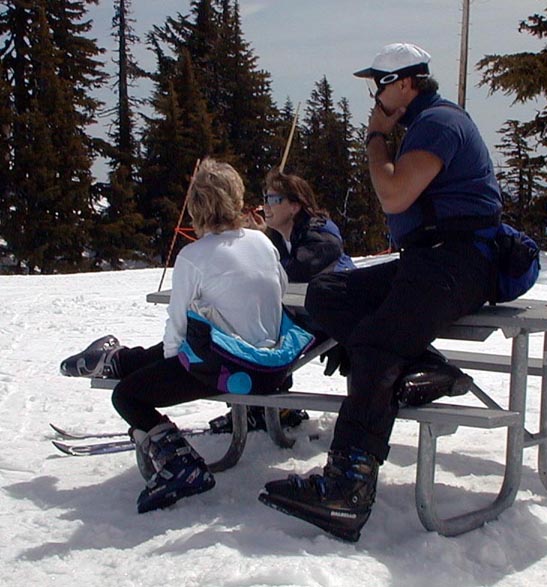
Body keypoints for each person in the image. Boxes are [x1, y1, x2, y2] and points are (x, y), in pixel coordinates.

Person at [259, 42, 503, 542]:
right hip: (429, 260)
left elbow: (393, 194)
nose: (375, 95)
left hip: (461, 261)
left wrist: (375, 137)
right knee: (328, 293)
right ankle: (427, 366)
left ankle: (347, 485)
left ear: (407, 83)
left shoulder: (439, 123)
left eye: (380, 85)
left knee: (375, 343)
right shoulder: (424, 125)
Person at [60, 158, 289, 513]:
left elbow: (177, 327)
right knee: (182, 350)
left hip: (229, 370)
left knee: (127, 396)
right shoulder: (262, 242)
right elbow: (281, 290)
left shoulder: (194, 256)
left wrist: (167, 367)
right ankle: (117, 359)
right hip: (268, 364)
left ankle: (180, 463)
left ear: (197, 205)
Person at [207, 167, 356, 434]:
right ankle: (255, 406)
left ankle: (269, 407)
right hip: (302, 316)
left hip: (334, 320)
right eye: (265, 198)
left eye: (274, 199)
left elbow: (295, 271)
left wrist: (259, 244)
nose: (266, 206)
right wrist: (260, 237)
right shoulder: (282, 236)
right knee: (243, 328)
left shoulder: (321, 233)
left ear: (295, 206)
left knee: (261, 335)